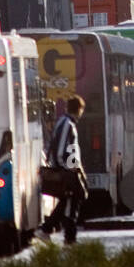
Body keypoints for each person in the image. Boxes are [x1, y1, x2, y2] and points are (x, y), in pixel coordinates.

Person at [42, 96, 88, 244]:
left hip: (68, 168)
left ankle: (59, 232)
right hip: (66, 170)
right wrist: (69, 167)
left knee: (68, 199)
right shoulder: (67, 124)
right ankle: (61, 232)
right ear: (79, 109)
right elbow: (61, 149)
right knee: (75, 197)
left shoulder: (65, 123)